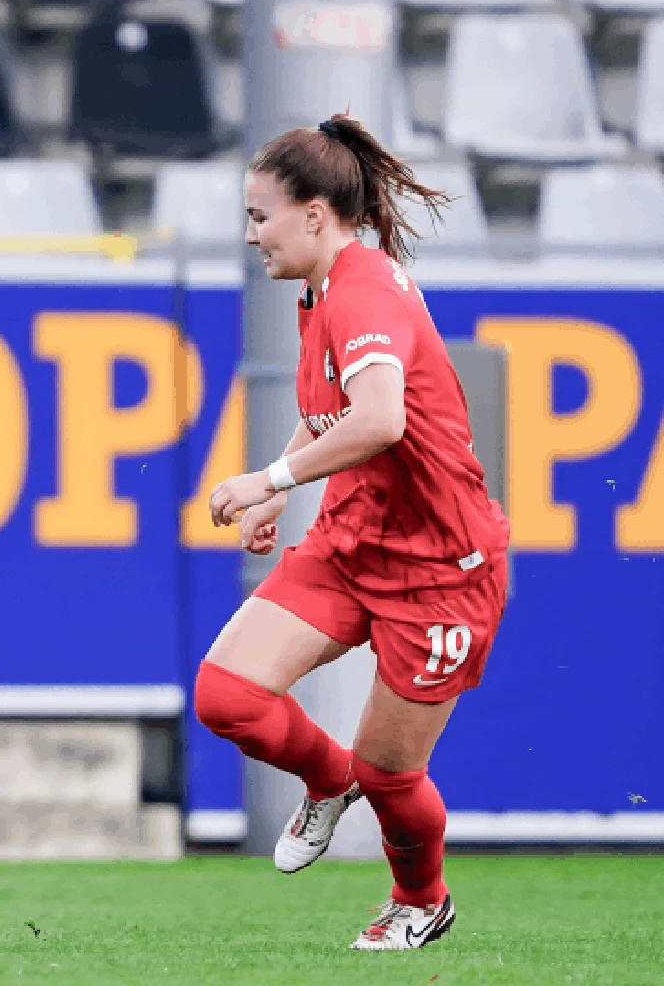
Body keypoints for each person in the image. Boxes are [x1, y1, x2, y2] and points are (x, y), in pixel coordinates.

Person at [200, 114, 510, 952]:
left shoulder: (366, 291)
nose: (252, 234)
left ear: (314, 214)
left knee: (393, 772)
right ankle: (328, 781)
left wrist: (266, 481)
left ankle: (421, 898)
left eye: (261, 216)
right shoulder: (322, 291)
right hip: (352, 542)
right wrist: (280, 487)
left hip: (444, 564)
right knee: (227, 697)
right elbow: (331, 413)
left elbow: (377, 418)